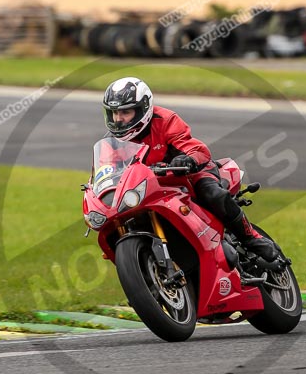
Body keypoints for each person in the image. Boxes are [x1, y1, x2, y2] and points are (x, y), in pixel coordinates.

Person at [101, 76, 278, 262]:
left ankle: (251, 239)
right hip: (152, 188)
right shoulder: (112, 142)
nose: (118, 119)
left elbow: (197, 149)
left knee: (212, 194)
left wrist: (187, 159)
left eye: (125, 112)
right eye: (114, 113)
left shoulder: (165, 120)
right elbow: (106, 169)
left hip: (189, 174)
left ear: (143, 109)